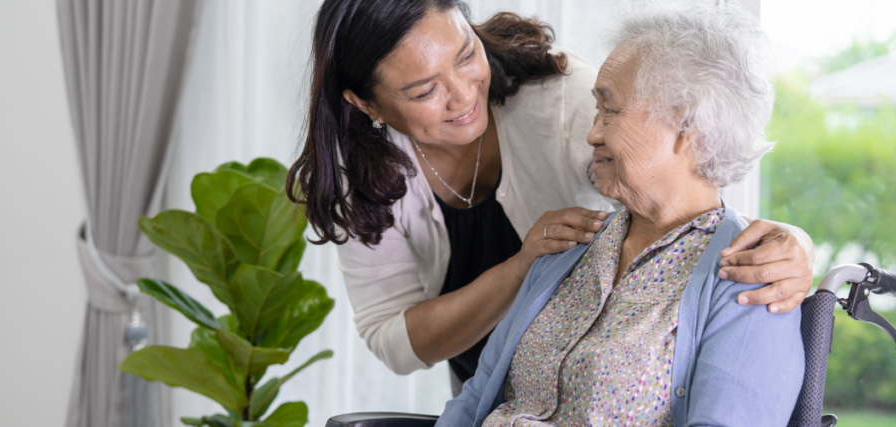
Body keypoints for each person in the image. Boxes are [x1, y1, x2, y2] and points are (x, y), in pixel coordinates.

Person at [286, 0, 814, 392]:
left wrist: (791, 243)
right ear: (366, 104)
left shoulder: (564, 102)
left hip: (597, 389)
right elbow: (394, 340)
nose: (464, 93)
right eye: (424, 91)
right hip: (494, 392)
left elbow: (687, 180)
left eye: (466, 54)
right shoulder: (358, 175)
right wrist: (521, 268)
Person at [437, 3, 804, 425]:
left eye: (610, 110)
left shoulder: (750, 280)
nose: (593, 132)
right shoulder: (566, 245)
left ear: (686, 128)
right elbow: (473, 402)